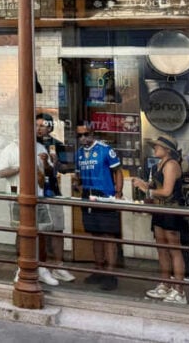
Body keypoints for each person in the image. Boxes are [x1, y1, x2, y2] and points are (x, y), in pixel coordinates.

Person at [0, 134, 74, 286]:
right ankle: (22, 267)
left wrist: (45, 163)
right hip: (17, 196)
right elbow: (1, 172)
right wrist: (20, 167)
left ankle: (42, 268)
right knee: (21, 232)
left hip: (39, 196)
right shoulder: (9, 149)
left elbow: (49, 172)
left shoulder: (39, 148)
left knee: (41, 232)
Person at [131, 135, 188, 305]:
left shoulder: (171, 165)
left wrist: (146, 190)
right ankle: (165, 283)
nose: (154, 148)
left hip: (171, 210)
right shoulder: (159, 165)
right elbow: (158, 188)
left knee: (174, 250)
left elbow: (167, 191)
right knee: (162, 248)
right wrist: (145, 185)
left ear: (167, 150)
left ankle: (179, 290)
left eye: (158, 146)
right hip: (160, 210)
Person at [75, 124, 123, 291]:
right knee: (95, 234)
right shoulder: (79, 153)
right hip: (87, 195)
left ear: (92, 133)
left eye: (85, 134)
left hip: (105, 194)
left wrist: (118, 192)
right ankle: (99, 269)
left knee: (108, 235)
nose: (82, 138)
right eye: (79, 135)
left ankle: (111, 274)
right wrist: (77, 183)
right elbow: (78, 174)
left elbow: (118, 171)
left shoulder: (105, 149)